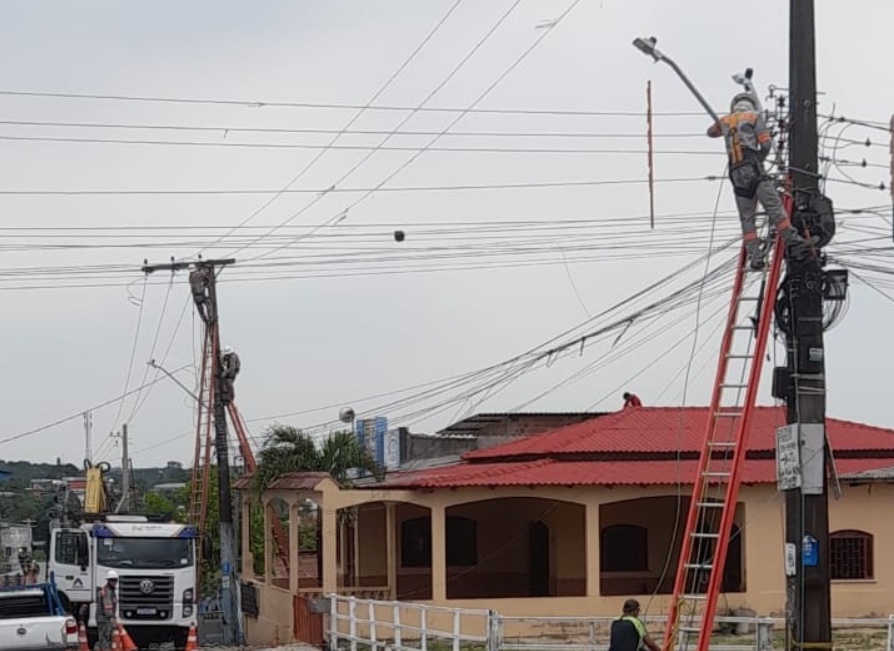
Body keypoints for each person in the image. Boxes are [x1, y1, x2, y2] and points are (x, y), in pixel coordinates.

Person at [707, 92, 817, 271]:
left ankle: (755, 256)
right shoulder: (753, 117)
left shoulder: (726, 120)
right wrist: (760, 158)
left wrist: (722, 124)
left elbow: (710, 133)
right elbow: (765, 144)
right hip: (752, 166)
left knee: (747, 217)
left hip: (735, 171)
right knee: (774, 206)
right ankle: (795, 241)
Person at [96, 570, 119, 651]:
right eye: (112, 580)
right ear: (108, 581)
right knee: (105, 638)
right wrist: (112, 618)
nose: (114, 582)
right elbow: (108, 606)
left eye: (115, 580)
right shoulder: (107, 591)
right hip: (104, 619)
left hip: (105, 618)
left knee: (107, 637)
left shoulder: (110, 590)